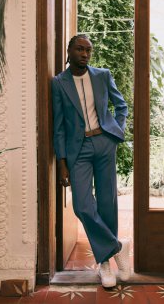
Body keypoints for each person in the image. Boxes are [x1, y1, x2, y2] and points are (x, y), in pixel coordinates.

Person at [51, 34, 130, 288]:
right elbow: (59, 125)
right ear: (69, 51)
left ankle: (105, 264)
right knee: (83, 206)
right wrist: (62, 161)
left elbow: (121, 105)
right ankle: (117, 247)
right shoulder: (59, 83)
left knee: (107, 202)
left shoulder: (102, 75)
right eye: (80, 49)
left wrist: (116, 132)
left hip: (104, 143)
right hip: (79, 149)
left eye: (88, 50)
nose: (85, 54)